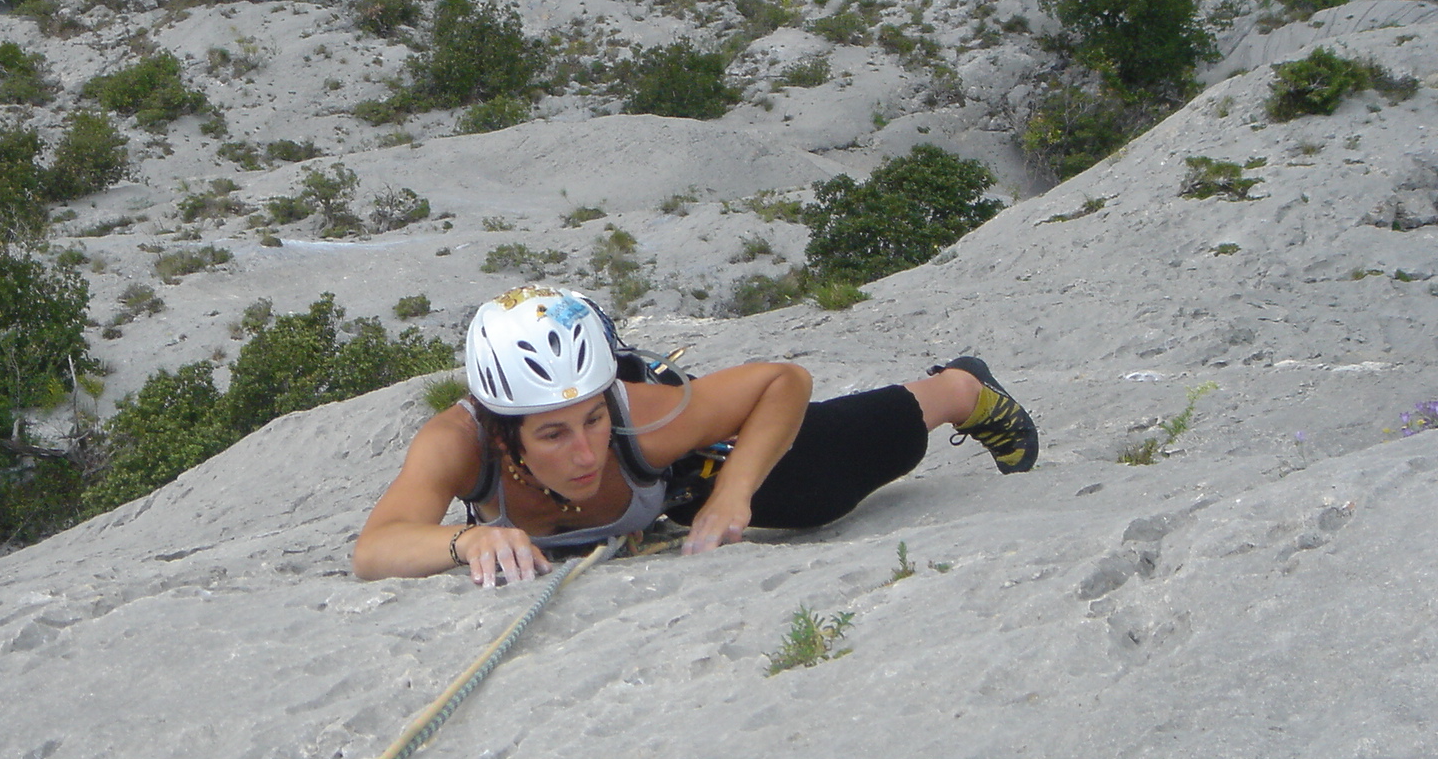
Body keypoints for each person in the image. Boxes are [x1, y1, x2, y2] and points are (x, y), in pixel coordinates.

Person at [352, 286, 1038, 586]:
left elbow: (782, 382)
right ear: (504, 437)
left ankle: (958, 389)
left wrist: (734, 494)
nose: (588, 451)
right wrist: (464, 539)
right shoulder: (458, 444)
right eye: (554, 434)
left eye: (592, 419)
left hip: (682, 482)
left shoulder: (638, 417)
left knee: (816, 481)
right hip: (655, 502)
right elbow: (375, 547)